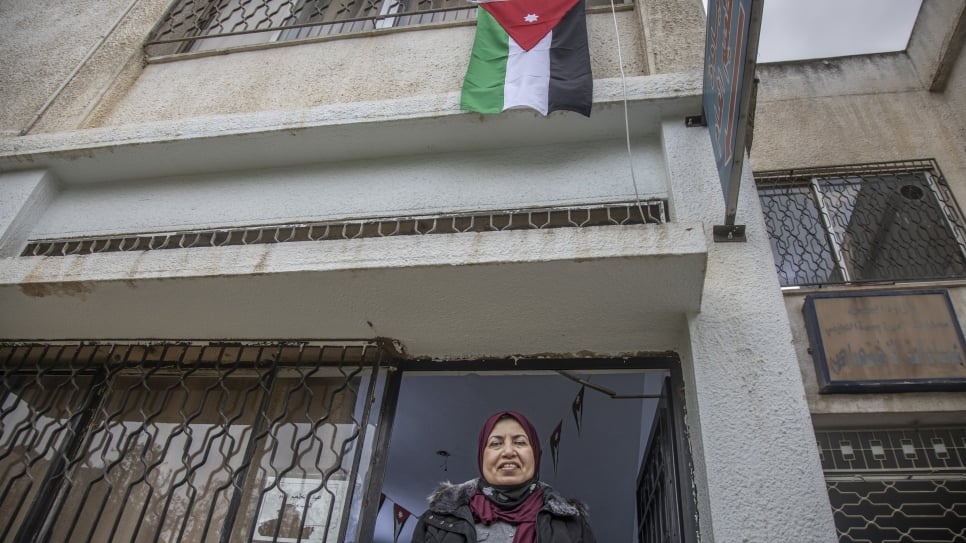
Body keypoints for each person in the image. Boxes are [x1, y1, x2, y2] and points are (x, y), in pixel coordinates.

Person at [410, 410, 596, 543]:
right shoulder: (438, 521)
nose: (508, 451)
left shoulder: (571, 525)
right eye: (496, 443)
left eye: (520, 442)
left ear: (535, 455)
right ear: (482, 456)